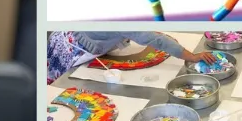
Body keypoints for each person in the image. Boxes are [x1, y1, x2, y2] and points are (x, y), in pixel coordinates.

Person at [46, 31, 217, 83]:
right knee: (59, 81)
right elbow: (156, 40)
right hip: (70, 47)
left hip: (68, 36)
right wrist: (192, 56)